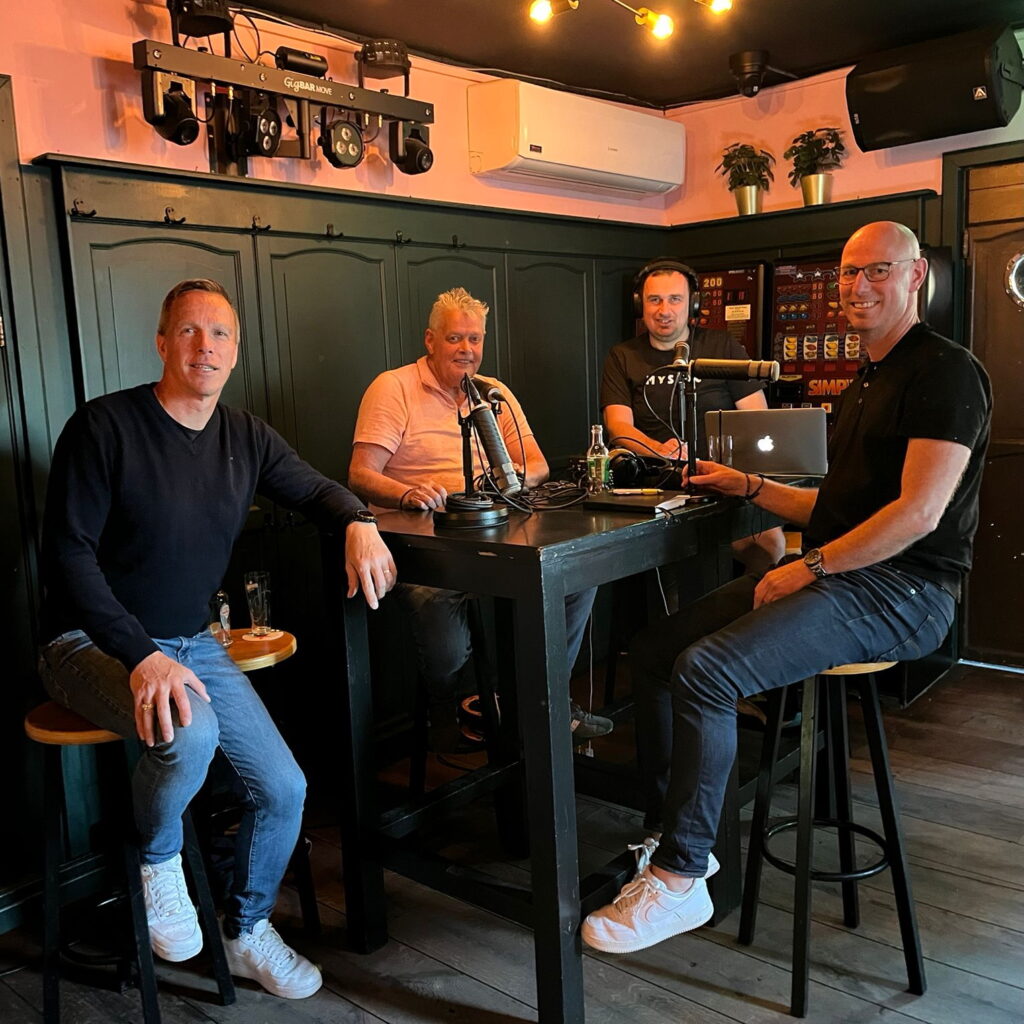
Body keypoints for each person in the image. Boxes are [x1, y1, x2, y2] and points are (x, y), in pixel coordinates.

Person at [582, 222, 992, 954]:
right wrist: (748, 485)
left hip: (907, 591)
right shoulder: (869, 377)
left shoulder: (945, 371)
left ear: (915, 276)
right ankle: (676, 831)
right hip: (852, 574)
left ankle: (681, 878)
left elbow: (917, 515)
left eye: (877, 271)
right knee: (657, 649)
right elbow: (832, 508)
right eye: (848, 273)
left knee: (707, 670)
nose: (858, 286)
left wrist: (810, 566)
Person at [38, 279, 397, 999]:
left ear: (235, 352)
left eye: (221, 334)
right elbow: (67, 557)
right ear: (162, 342)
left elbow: (318, 490)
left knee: (285, 788)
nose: (206, 346)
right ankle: (158, 862)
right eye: (190, 331)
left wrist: (359, 520)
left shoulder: (246, 436)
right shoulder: (104, 426)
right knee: (192, 733)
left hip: (192, 641)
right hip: (86, 643)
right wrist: (141, 656)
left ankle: (246, 930)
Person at [348, 286, 607, 750]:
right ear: (430, 340)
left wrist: (500, 483)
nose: (466, 349)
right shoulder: (394, 387)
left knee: (573, 575)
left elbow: (537, 465)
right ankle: (455, 704)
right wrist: (406, 493)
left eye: (475, 339)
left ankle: (539, 701)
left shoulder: (491, 392)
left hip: (490, 532)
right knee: (438, 614)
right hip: (423, 543)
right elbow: (360, 475)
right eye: (454, 339)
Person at [601, 259, 784, 574]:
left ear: (692, 304)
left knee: (768, 543)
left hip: (722, 479)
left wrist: (728, 467)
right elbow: (618, 427)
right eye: (655, 300)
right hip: (658, 485)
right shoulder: (623, 356)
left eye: (675, 299)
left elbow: (757, 418)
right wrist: (661, 450)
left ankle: (754, 600)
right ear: (640, 305)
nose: (664, 310)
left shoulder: (721, 346)